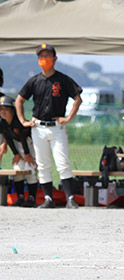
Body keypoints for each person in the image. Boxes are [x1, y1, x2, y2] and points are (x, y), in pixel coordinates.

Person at [15, 43, 82, 209]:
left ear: (55, 59)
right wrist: (23, 121)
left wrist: (68, 118)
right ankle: (48, 199)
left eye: (47, 56)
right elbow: (19, 100)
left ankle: (70, 198)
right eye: (41, 56)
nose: (44, 59)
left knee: (62, 162)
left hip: (57, 126)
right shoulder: (34, 80)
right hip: (38, 127)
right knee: (43, 164)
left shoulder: (63, 79)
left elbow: (78, 98)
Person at [0, 96, 38, 207]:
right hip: (18, 147)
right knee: (17, 169)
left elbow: (23, 138)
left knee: (30, 169)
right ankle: (20, 197)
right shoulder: (2, 123)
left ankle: (31, 198)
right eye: (1, 109)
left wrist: (27, 155)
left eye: (6, 108)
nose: (3, 111)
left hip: (30, 146)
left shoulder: (18, 122)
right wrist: (16, 154)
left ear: (12, 110)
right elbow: (8, 138)